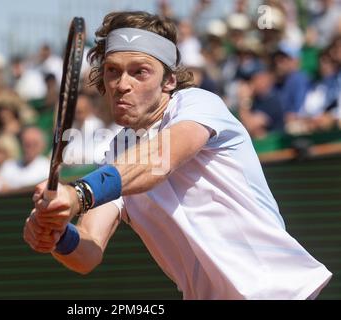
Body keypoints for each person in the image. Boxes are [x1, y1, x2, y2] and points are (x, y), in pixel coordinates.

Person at [23, 11, 332, 300]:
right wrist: (58, 234)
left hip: (281, 292)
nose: (122, 85)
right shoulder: (115, 158)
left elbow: (159, 159)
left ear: (168, 80)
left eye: (139, 72)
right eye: (112, 72)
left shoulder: (198, 104)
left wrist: (79, 194)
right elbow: (88, 253)